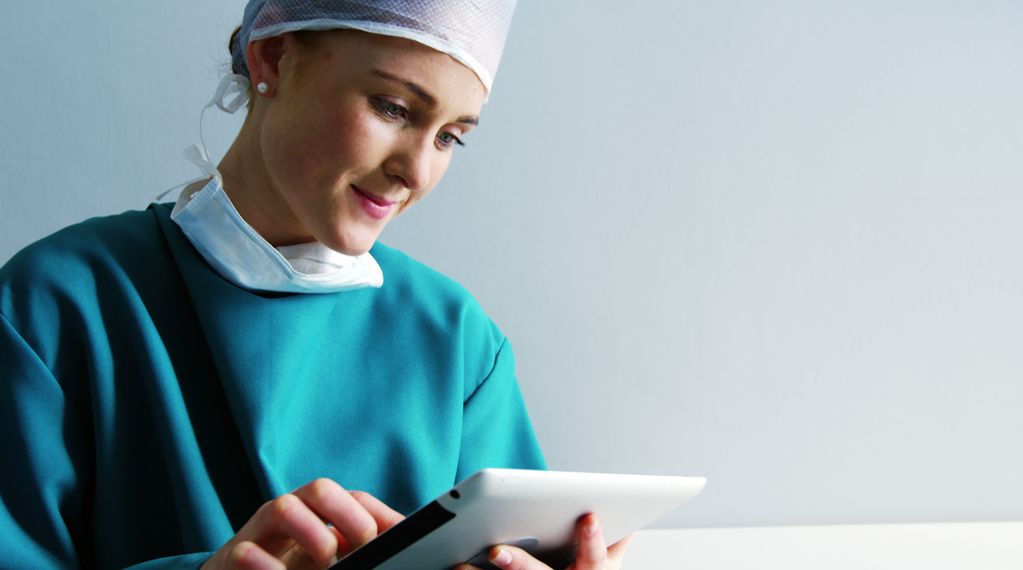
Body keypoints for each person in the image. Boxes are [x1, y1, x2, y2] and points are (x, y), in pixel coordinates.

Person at [0, 1, 629, 568]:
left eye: (450, 136)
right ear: (272, 55)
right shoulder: (51, 309)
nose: (416, 169)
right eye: (393, 107)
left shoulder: (460, 343)